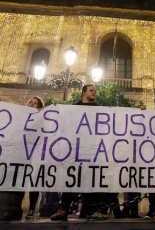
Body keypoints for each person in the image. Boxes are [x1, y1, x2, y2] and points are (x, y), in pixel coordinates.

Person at [50, 84, 120, 221]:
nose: (94, 93)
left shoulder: (99, 109)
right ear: (84, 93)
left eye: (95, 91)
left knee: (92, 179)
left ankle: (92, 210)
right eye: (91, 91)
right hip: (75, 150)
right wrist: (55, 109)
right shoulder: (73, 108)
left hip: (92, 151)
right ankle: (63, 209)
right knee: (70, 179)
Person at [24, 96, 45, 219]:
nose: (32, 104)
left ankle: (31, 209)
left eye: (35, 103)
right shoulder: (21, 115)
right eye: (30, 102)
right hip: (22, 151)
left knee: (34, 180)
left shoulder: (42, 118)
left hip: (35, 151)